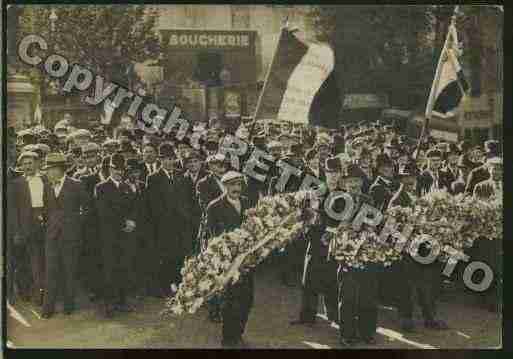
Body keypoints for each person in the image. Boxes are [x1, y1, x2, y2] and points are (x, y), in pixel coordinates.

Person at [290, 156, 341, 328]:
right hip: (315, 241)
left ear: (340, 174)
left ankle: (333, 315)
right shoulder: (316, 192)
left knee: (333, 280)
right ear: (325, 173)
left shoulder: (344, 194)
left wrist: (332, 232)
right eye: (330, 173)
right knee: (309, 279)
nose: (333, 176)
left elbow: (346, 220)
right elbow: (305, 214)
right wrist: (309, 220)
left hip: (335, 242)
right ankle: (307, 316)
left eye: (336, 173)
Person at [206, 171, 254, 348]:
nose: (236, 188)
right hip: (228, 263)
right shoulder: (214, 206)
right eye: (232, 185)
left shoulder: (248, 202)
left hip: (248, 261)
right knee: (230, 302)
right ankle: (228, 339)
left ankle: (239, 333)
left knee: (247, 300)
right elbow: (212, 236)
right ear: (225, 186)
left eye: (239, 185)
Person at [337, 164, 378, 346]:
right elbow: (332, 227)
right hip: (344, 254)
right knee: (348, 297)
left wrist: (367, 230)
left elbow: (373, 223)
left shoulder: (368, 199)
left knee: (368, 296)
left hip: (366, 253)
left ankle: (367, 332)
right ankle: (347, 334)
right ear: (344, 183)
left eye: (356, 181)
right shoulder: (337, 200)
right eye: (350, 181)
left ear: (362, 182)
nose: (353, 184)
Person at [42, 153, 87, 318]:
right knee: (51, 271)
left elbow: (87, 208)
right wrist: (50, 224)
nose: (48, 172)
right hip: (52, 236)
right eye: (47, 169)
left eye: (51, 169)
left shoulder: (76, 185)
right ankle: (48, 308)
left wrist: (75, 224)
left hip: (71, 236)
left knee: (70, 271)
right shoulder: (47, 186)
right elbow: (46, 209)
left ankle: (69, 305)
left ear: (60, 169)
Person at [146, 142, 191, 297]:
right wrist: (161, 221)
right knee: (165, 257)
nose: (169, 162)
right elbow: (152, 204)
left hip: (181, 224)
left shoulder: (181, 175)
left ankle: (179, 284)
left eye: (172, 158)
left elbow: (187, 199)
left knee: (180, 255)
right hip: (163, 224)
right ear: (160, 160)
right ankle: (165, 287)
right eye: (166, 159)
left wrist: (185, 216)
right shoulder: (153, 178)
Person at [95, 153, 137, 317]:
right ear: (110, 169)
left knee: (124, 267)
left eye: (121, 169)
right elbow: (104, 212)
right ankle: (109, 304)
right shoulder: (101, 187)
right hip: (109, 236)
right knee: (109, 270)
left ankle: (122, 302)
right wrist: (124, 223)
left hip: (126, 235)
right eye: (115, 169)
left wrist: (132, 221)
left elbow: (134, 207)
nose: (119, 172)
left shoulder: (127, 187)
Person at [9, 151, 49, 306]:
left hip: (44, 222)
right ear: (21, 166)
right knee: (25, 262)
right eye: (24, 164)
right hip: (25, 225)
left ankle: (41, 293)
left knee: (41, 259)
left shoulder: (45, 180)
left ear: (37, 163)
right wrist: (17, 231)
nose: (27, 166)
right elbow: (13, 210)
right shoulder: (16, 183)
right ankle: (25, 291)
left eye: (30, 162)